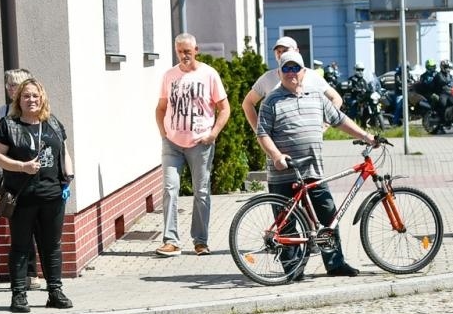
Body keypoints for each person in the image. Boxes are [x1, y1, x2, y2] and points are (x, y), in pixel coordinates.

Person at [255, 49, 382, 279]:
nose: (292, 73)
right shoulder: (271, 101)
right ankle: (292, 270)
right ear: (280, 72)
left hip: (313, 171)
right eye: (287, 68)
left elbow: (340, 120)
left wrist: (366, 137)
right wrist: (276, 156)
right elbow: (262, 133)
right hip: (284, 172)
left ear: (304, 72)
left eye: (296, 68)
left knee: (329, 216)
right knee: (287, 224)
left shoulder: (315, 96)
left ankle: (335, 265)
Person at [0, 78, 74, 312]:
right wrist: (21, 166)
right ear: (19, 99)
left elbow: (65, 152)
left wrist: (69, 177)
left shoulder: (53, 123)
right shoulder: (9, 125)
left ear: (42, 98)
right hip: (21, 196)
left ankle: (55, 291)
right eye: (26, 96)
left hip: (52, 195)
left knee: (52, 246)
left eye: (35, 96)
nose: (31, 100)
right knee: (20, 246)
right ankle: (18, 295)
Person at [154, 33, 229, 257]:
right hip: (172, 144)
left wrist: (213, 134)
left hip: (200, 144)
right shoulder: (169, 76)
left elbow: (224, 108)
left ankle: (200, 241)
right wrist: (163, 133)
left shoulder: (209, 74)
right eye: (180, 51)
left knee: (202, 192)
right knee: (170, 189)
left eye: (188, 51)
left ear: (196, 50)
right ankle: (171, 241)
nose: (184, 55)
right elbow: (160, 108)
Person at [241, 36, 342, 136]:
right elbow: (247, 103)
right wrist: (260, 133)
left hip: (309, 144)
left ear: (297, 51)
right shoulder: (268, 78)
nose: (281, 54)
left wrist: (325, 124)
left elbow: (336, 99)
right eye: (278, 51)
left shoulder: (311, 75)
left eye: (285, 50)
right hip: (277, 145)